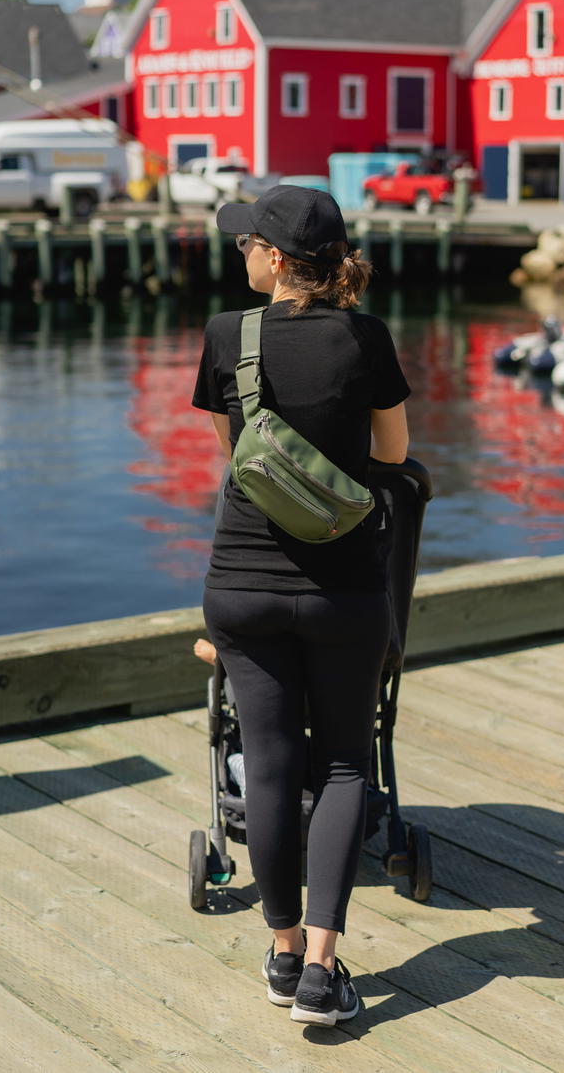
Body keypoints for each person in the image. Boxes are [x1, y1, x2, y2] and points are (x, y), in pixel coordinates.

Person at [192, 184, 410, 1028]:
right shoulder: (367, 337)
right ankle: (322, 973)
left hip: (242, 585)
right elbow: (393, 452)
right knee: (348, 764)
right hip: (344, 588)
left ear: (277, 259)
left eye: (246, 242)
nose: (239, 254)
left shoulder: (226, 336)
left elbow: (238, 458)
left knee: (273, 763)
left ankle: (280, 954)